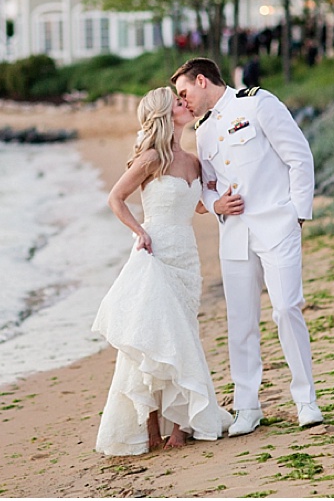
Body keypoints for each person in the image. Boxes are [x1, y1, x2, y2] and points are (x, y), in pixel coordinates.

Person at [171, 58, 323, 437]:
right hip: (235, 235)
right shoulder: (203, 131)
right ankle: (247, 407)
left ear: (202, 80)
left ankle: (306, 400)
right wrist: (217, 205)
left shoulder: (257, 103)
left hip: (277, 225)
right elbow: (208, 186)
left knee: (287, 308)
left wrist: (297, 214)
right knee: (240, 324)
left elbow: (299, 156)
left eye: (184, 92)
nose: (183, 101)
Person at [93, 87, 232, 455]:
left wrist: (220, 203)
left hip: (186, 257)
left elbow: (200, 205)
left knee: (181, 335)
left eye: (184, 101)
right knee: (152, 336)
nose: (185, 105)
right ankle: (151, 424)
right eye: (178, 103)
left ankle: (180, 424)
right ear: (166, 116)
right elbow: (116, 198)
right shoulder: (152, 157)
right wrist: (139, 231)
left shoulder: (194, 161)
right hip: (155, 253)